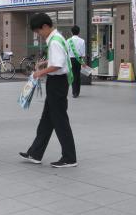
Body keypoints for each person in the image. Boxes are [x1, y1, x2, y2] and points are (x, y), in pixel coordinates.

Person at [19, 13, 77, 168]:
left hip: (57, 83)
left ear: (45, 26)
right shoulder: (57, 37)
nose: (38, 35)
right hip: (57, 83)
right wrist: (46, 62)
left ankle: (70, 158)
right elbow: (59, 60)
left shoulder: (54, 42)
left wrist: (40, 72)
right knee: (46, 120)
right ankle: (35, 153)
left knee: (60, 122)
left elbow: (58, 65)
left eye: (38, 31)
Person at [66, 25, 86, 98]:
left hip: (71, 59)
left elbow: (66, 51)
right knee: (77, 75)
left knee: (73, 75)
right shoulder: (82, 41)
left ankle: (74, 92)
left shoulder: (68, 40)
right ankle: (77, 92)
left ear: (71, 32)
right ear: (79, 32)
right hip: (79, 59)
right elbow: (83, 53)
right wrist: (82, 61)